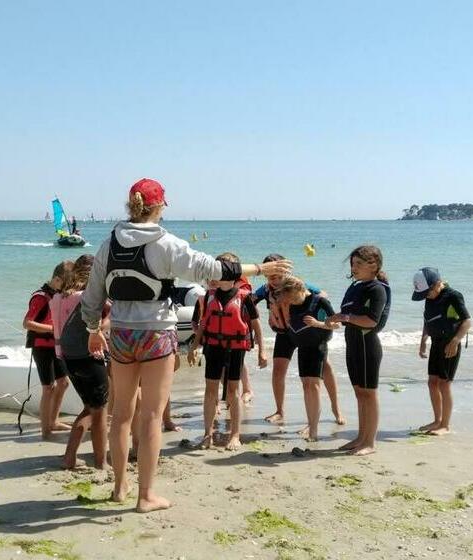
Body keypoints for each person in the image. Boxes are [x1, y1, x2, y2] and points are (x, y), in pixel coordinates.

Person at [81, 178, 291, 513]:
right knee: (150, 415)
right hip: (156, 334)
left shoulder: (108, 243)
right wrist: (260, 268)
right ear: (160, 205)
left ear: (130, 206)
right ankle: (145, 495)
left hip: (120, 334)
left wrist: (93, 329)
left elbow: (93, 296)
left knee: (120, 414)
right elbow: (216, 270)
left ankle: (119, 487)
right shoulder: (166, 244)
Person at [252, 254, 344, 425]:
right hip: (283, 334)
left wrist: (320, 322)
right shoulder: (265, 290)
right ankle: (279, 411)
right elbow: (249, 304)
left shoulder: (297, 285)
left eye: (277, 273)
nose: (274, 277)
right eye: (270, 272)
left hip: (306, 335)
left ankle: (336, 408)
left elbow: (321, 295)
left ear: (286, 271)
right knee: (278, 371)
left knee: (324, 368)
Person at [187, 253, 266, 451]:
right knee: (210, 390)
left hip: (235, 348)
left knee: (233, 391)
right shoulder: (209, 297)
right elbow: (203, 324)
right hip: (213, 346)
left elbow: (256, 326)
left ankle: (235, 435)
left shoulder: (244, 298)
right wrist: (194, 346)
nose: (216, 274)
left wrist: (262, 351)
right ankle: (207, 434)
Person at [329, 245, 391, 456]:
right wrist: (333, 318)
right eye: (352, 264)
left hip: (367, 345)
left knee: (369, 394)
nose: (353, 268)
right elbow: (347, 314)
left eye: (358, 264)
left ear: (373, 265)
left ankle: (370, 442)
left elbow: (371, 321)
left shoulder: (377, 289)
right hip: (352, 343)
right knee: (359, 393)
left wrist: (344, 318)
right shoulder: (355, 287)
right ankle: (360, 437)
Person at [52, 254, 110, 469]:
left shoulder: (56, 298)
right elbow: (116, 309)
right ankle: (101, 462)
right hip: (88, 357)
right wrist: (104, 326)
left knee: (90, 408)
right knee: (100, 410)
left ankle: (69, 457)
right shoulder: (87, 296)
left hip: (66, 358)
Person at [275, 276, 340, 441]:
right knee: (306, 386)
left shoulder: (319, 302)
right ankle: (311, 423)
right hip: (302, 347)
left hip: (317, 345)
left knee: (314, 385)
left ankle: (314, 430)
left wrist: (318, 323)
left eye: (292, 297)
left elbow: (338, 324)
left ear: (298, 290)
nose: (291, 301)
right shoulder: (293, 303)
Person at [412, 267, 472, 436]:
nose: (426, 296)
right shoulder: (429, 297)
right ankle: (437, 420)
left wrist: (455, 341)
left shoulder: (453, 296)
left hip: (450, 344)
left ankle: (445, 425)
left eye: (427, 292)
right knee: (432, 382)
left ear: (437, 284)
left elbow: (467, 321)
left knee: (445, 384)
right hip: (436, 343)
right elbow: (427, 320)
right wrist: (423, 340)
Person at [22, 262, 72, 440]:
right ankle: (45, 430)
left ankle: (54, 421)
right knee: (48, 387)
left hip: (56, 345)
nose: (67, 289)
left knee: (64, 383)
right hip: (42, 347)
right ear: (57, 279)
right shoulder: (41, 297)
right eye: (65, 284)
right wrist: (53, 329)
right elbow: (27, 323)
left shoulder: (57, 295)